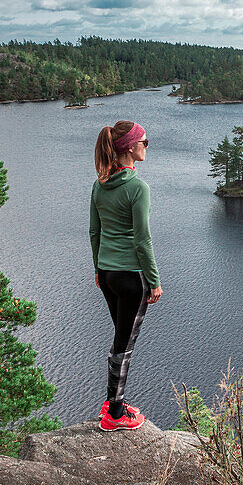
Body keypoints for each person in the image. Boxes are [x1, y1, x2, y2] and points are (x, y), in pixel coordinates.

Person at [90, 120, 163, 431]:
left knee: (120, 337)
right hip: (131, 278)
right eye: (145, 142)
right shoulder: (138, 188)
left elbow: (95, 232)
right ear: (131, 147)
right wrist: (155, 281)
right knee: (124, 344)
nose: (147, 146)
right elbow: (142, 240)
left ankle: (113, 402)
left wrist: (98, 268)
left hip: (107, 274)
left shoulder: (100, 184)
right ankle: (115, 414)